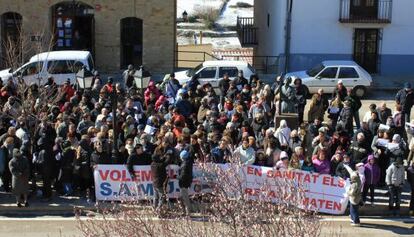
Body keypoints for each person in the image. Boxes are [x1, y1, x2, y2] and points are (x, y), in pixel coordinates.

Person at [178, 149, 194, 215]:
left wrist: (177, 177)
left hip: (184, 183)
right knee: (182, 197)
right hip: (186, 182)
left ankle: (187, 212)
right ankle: (184, 211)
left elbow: (183, 175)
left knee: (185, 198)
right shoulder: (188, 163)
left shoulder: (185, 164)